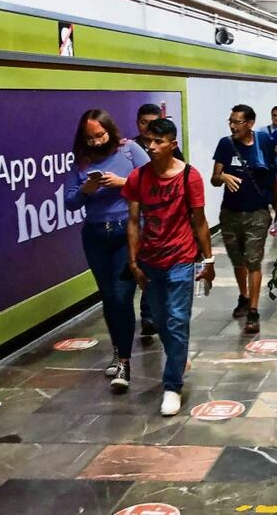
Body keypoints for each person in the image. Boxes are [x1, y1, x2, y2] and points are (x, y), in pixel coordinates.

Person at [123, 118, 214, 416]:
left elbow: (199, 221)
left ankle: (172, 385)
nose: (151, 147)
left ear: (172, 145)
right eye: (148, 141)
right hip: (150, 260)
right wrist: (133, 261)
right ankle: (179, 355)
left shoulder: (189, 176)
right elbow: (133, 221)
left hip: (181, 258)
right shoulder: (138, 177)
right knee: (161, 321)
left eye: (158, 142)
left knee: (176, 320)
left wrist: (209, 260)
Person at [65, 109, 150, 392]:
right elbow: (70, 202)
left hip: (128, 231)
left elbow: (153, 182)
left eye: (100, 135)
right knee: (109, 296)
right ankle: (117, 348)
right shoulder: (81, 161)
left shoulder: (129, 151)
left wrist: (123, 183)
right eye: (90, 138)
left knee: (122, 295)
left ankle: (124, 362)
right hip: (95, 235)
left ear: (110, 131)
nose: (96, 142)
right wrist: (86, 189)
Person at [211, 105, 277, 334]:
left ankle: (253, 310)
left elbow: (273, 178)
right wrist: (223, 176)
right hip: (230, 212)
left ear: (250, 123)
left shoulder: (264, 143)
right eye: (230, 121)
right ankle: (244, 295)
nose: (232, 126)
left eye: (237, 122)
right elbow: (214, 178)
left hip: (257, 212)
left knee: (253, 260)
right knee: (237, 260)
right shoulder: (225, 144)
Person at [133, 103, 184, 337]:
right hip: (141, 215)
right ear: (138, 123)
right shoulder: (130, 147)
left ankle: (159, 313)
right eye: (144, 123)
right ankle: (149, 314)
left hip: (165, 220)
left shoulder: (170, 149)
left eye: (153, 123)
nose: (148, 128)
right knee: (148, 267)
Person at [264, 105, 277, 237]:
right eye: (275, 115)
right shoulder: (264, 132)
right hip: (268, 171)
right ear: (271, 116)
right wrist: (273, 151)